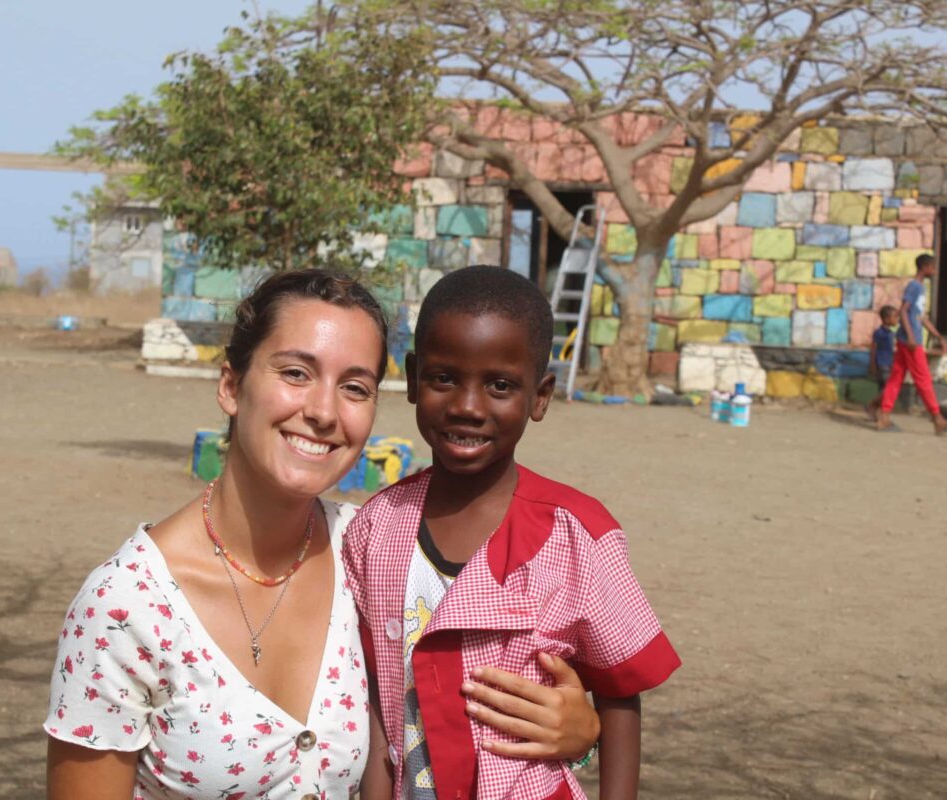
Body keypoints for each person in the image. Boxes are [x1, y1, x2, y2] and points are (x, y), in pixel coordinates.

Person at [44, 270, 601, 800]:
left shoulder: (370, 550)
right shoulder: (124, 607)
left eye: (354, 387)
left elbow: (457, 705)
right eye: (295, 373)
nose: (323, 412)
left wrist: (578, 734)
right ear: (232, 385)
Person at [345, 266, 681, 800]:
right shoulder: (375, 529)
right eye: (443, 378)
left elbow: (619, 693)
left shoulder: (577, 535)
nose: (467, 406)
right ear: (411, 379)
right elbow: (377, 704)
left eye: (500, 386)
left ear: (540, 396)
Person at [875, 254, 947, 434]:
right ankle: (938, 419)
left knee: (896, 377)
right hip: (911, 341)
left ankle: (883, 414)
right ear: (925, 267)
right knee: (923, 379)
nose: (935, 271)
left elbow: (921, 317)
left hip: (907, 339)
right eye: (933, 267)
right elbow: (903, 311)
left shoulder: (921, 288)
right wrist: (911, 336)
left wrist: (938, 336)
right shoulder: (914, 286)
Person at [866, 305, 898, 418]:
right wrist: (872, 364)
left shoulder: (891, 333)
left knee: (883, 389)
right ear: (886, 319)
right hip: (882, 364)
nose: (897, 319)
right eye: (895, 317)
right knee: (888, 389)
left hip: (889, 364)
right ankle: (872, 406)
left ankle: (877, 411)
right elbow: (873, 348)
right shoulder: (879, 333)